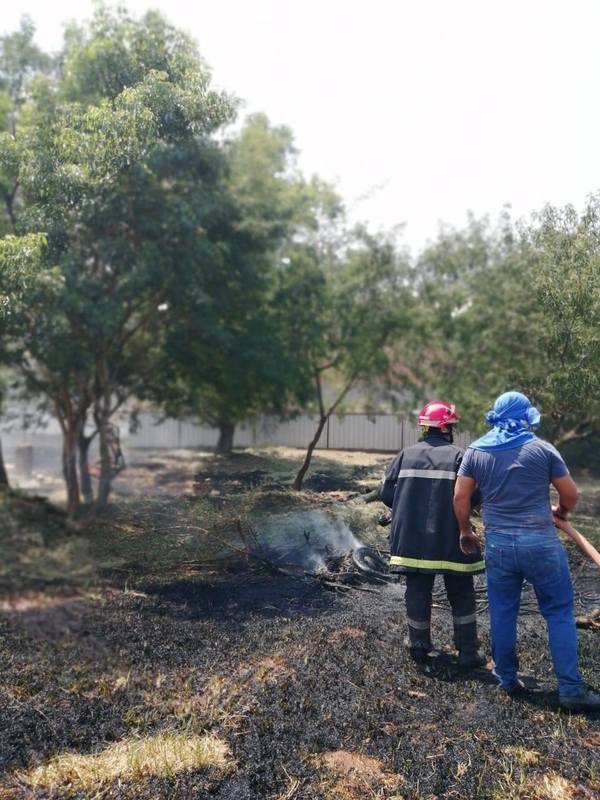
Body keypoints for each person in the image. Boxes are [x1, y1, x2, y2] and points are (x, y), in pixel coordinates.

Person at [454, 390, 600, 711]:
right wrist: (561, 512)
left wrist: (466, 530)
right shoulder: (542, 450)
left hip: (500, 546)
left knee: (503, 612)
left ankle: (507, 679)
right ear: (525, 417)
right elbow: (571, 494)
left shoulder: (476, 451)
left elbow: (460, 497)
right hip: (541, 544)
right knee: (559, 614)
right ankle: (571, 690)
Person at [380, 400, 486, 668]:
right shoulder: (460, 457)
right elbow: (475, 496)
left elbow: (387, 495)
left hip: (411, 540)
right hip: (452, 537)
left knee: (417, 590)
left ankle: (419, 646)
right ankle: (468, 652)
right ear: (446, 427)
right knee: (461, 591)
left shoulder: (404, 455)